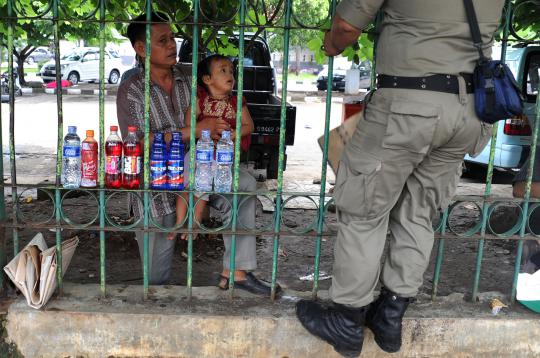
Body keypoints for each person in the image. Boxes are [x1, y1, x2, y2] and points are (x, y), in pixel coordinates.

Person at [295, 1, 505, 357]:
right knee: (420, 211)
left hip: (407, 106)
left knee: (364, 210)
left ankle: (346, 320)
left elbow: (346, 27)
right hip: (468, 112)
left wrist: (331, 45)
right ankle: (390, 315)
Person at [117, 12, 278, 296]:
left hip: (205, 169)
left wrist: (222, 127)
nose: (172, 45)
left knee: (246, 187)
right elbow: (138, 143)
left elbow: (222, 99)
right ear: (141, 49)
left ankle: (237, 271)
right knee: (155, 282)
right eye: (163, 40)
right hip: (159, 184)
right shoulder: (131, 89)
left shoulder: (191, 78)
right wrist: (193, 130)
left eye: (173, 39)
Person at [167, 54, 254, 242]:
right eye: (223, 70)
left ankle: (196, 223)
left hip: (220, 156)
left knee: (202, 186)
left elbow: (249, 126)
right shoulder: (201, 99)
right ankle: (180, 222)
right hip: (199, 151)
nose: (229, 74)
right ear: (207, 79)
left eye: (231, 71)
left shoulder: (237, 102)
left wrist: (231, 135)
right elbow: (189, 121)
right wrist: (198, 123)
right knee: (185, 183)